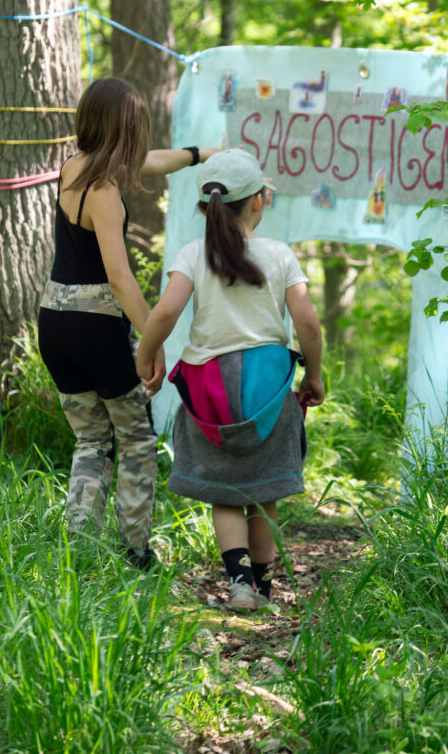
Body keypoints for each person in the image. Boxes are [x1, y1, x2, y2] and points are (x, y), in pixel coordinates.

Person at [38, 76, 217, 569]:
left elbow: (154, 161)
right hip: (96, 327)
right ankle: (135, 550)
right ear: (127, 129)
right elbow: (119, 278)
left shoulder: (71, 167)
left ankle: (79, 547)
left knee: (91, 438)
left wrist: (200, 153)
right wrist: (152, 343)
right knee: (136, 436)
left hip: (54, 322)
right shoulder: (107, 193)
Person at [135, 149, 325, 610]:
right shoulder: (279, 255)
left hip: (210, 392)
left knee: (225, 492)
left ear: (206, 207)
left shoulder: (193, 254)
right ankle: (262, 587)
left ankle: (239, 582)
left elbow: (165, 313)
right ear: (259, 200)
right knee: (265, 492)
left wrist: (145, 359)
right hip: (270, 387)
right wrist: (315, 377)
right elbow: (308, 323)